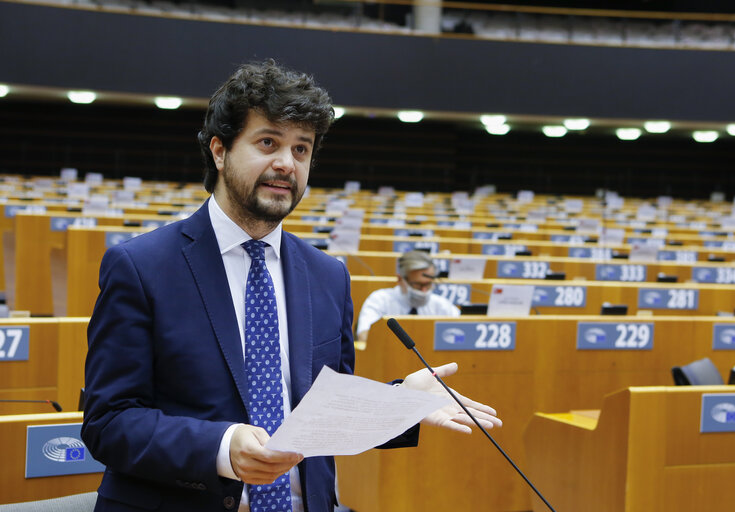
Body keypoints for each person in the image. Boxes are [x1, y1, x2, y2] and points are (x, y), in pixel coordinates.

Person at [81, 59, 500, 512]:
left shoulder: (328, 274)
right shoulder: (141, 266)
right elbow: (109, 421)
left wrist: (399, 404)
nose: (286, 163)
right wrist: (222, 447)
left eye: (302, 150)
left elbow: (325, 410)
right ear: (220, 151)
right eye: (268, 143)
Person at [356, 250, 459, 342]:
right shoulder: (379, 300)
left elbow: (462, 334)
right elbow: (364, 336)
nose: (424, 290)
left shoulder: (441, 305)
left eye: (428, 284)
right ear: (400, 280)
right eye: (418, 284)